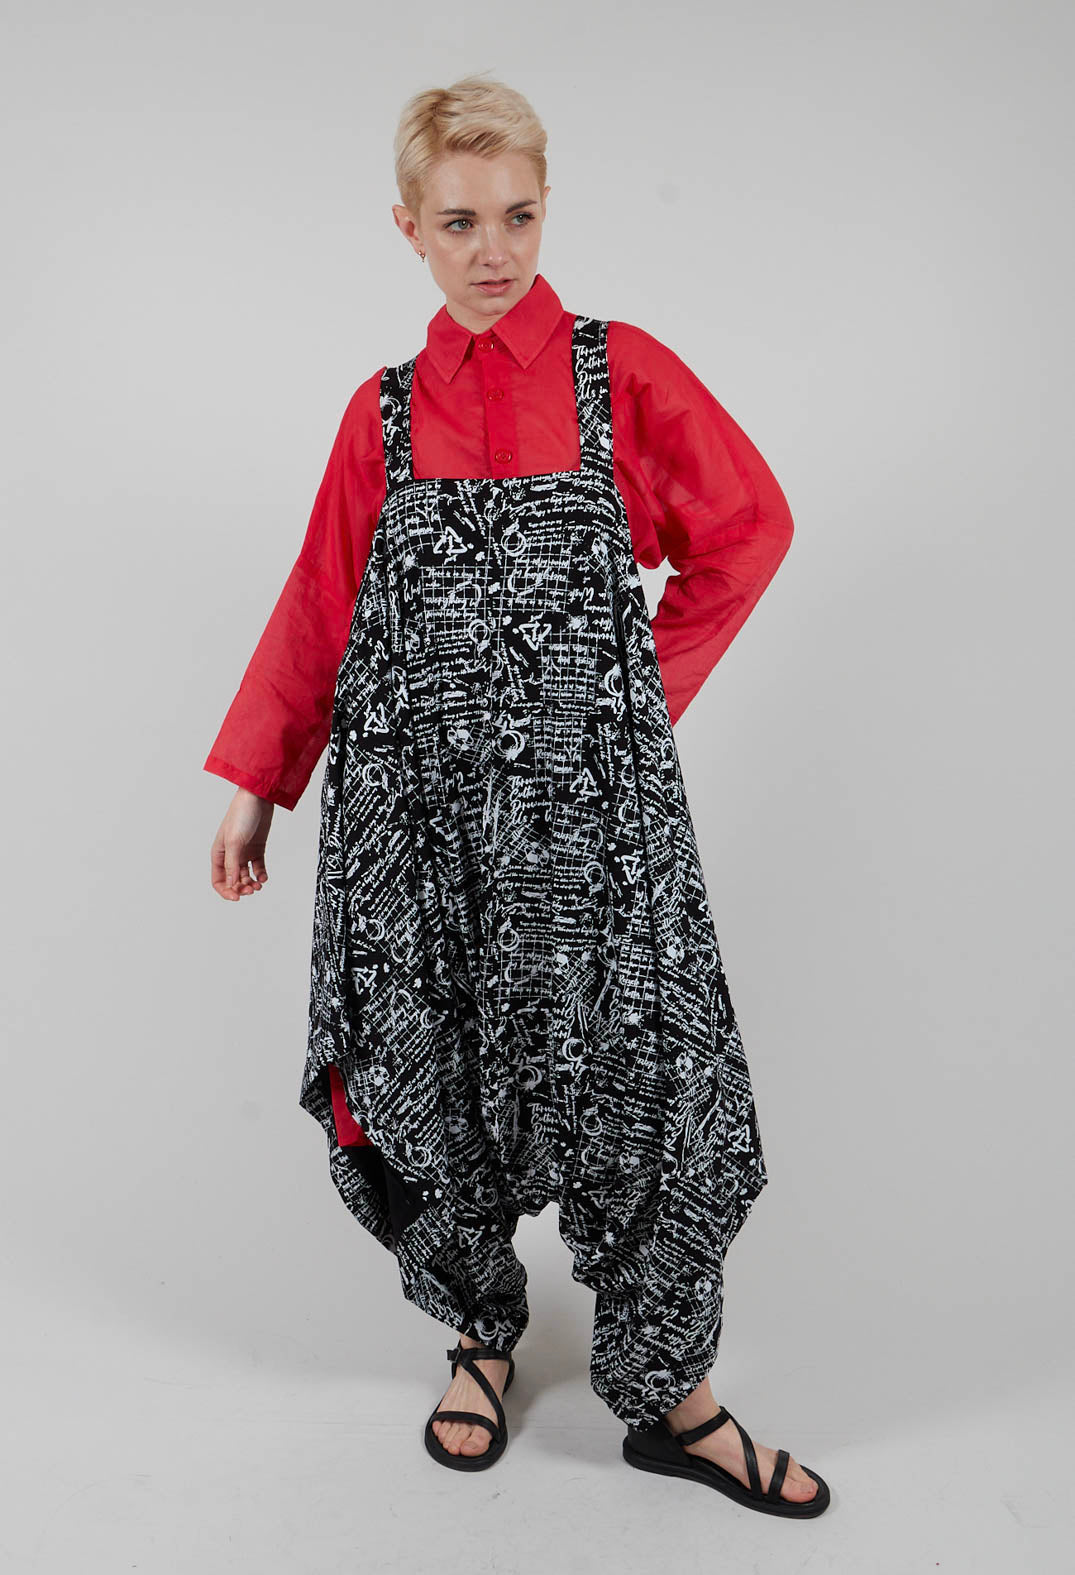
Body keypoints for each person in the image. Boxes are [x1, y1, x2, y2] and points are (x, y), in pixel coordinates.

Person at [205, 74, 829, 1516]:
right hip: (419, 823)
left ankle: (673, 1396)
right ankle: (479, 1333)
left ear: (549, 210)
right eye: (460, 222)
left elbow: (748, 530)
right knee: (429, 1060)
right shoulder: (382, 414)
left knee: (653, 1077)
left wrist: (626, 699)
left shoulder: (623, 374)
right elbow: (322, 603)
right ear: (408, 227)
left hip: (595, 825)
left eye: (521, 216)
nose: (495, 250)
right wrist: (258, 786)